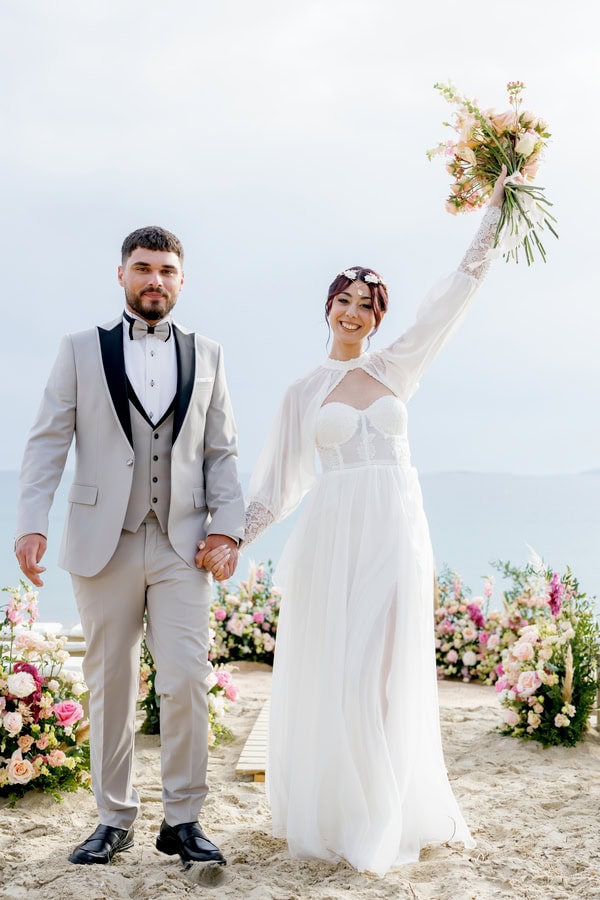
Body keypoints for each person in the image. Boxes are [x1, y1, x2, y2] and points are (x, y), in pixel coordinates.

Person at [205, 170, 507, 875]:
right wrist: (232, 540)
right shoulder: (303, 393)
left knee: (387, 675)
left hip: (396, 536)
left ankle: (388, 812)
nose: (353, 312)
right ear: (328, 308)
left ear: (378, 316)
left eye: (366, 304)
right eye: (343, 301)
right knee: (342, 676)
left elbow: (461, 288)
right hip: (332, 542)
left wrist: (498, 205)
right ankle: (347, 812)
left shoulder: (399, 366)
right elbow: (274, 487)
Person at [15, 226, 245, 867]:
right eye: (143, 268)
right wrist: (32, 521)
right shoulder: (79, 350)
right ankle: (113, 820)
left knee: (186, 681)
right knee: (110, 684)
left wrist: (226, 529)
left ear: (181, 280)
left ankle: (184, 819)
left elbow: (223, 453)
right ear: (121, 275)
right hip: (102, 542)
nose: (155, 280)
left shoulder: (211, 355)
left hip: (182, 545)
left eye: (167, 270)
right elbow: (47, 442)